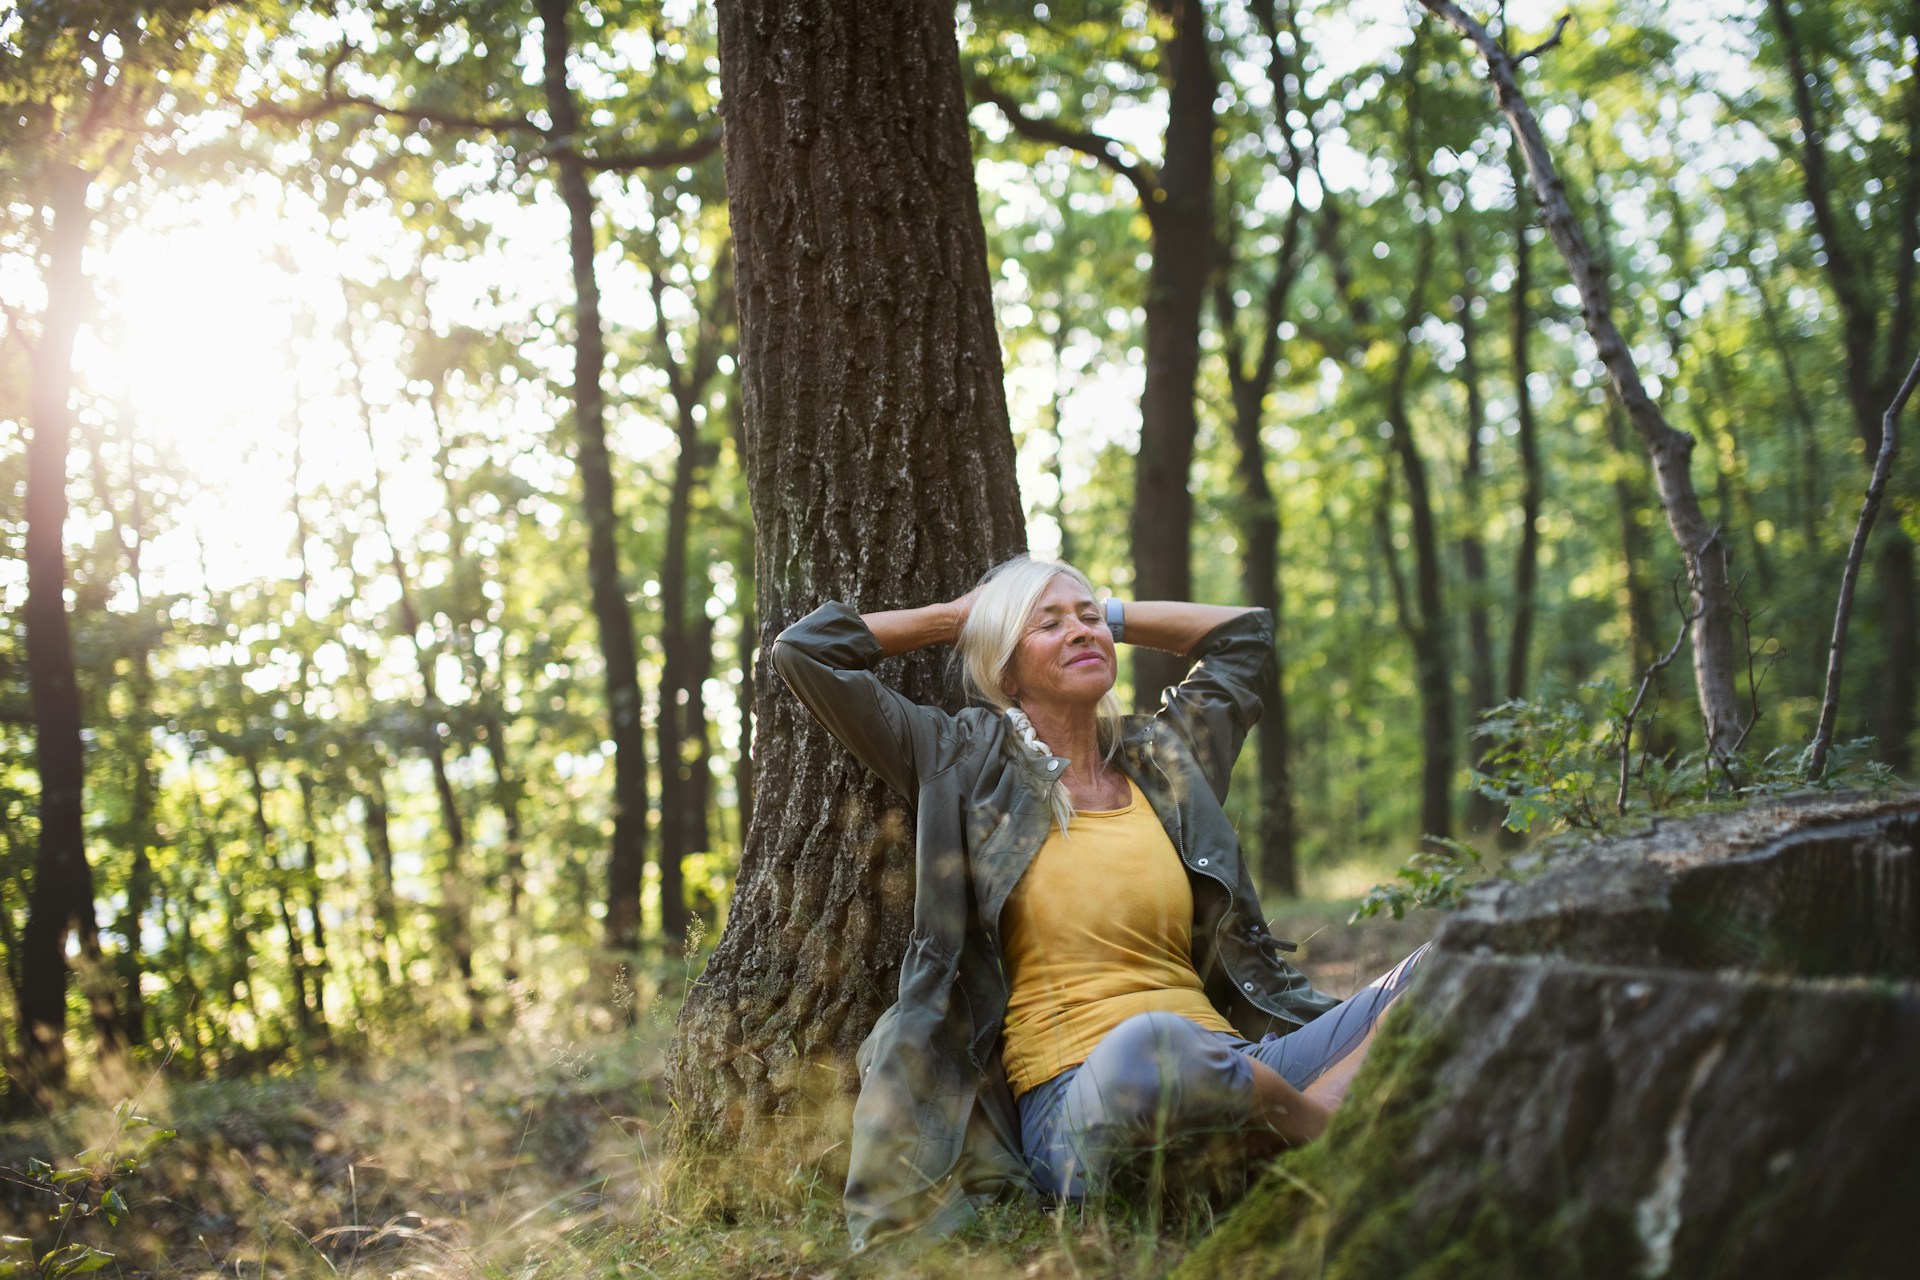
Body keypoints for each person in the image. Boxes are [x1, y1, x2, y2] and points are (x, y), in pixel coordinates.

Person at [771, 555, 1428, 1249]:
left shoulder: (1167, 761)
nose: (1080, 632)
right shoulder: (959, 759)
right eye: (1047, 624)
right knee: (1153, 1045)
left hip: (1236, 1063)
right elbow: (806, 653)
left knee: (1454, 959)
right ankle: (1324, 1121)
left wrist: (1101, 614)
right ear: (1006, 669)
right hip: (1085, 1102)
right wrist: (962, 618)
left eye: (1089, 620)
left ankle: (1282, 1113)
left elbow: (1243, 636)